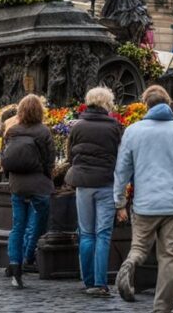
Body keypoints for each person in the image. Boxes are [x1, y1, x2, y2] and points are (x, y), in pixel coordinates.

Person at [114, 86, 173, 311]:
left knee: (140, 247)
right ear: (168, 103)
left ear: (146, 105)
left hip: (145, 203)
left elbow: (121, 170)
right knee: (171, 256)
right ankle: (162, 308)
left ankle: (130, 263)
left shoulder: (133, 131)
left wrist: (119, 201)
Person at [65, 87, 124, 297]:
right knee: (103, 234)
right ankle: (100, 282)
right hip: (106, 183)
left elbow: (69, 154)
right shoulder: (114, 127)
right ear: (107, 104)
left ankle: (87, 280)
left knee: (87, 233)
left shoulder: (78, 126)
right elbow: (120, 157)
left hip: (83, 183)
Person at [1, 94, 55, 288]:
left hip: (17, 185)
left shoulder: (12, 130)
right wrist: (47, 177)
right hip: (39, 185)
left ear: (20, 112)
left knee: (18, 226)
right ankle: (28, 256)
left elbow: (3, 158)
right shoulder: (43, 132)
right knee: (38, 223)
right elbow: (50, 160)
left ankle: (15, 265)